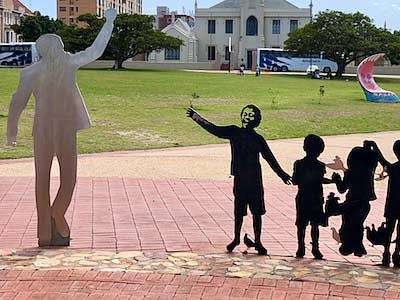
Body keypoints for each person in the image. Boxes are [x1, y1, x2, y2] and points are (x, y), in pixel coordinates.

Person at [7, 9, 117, 247]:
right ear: (53, 48)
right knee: (67, 178)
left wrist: (12, 133)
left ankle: (48, 226)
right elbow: (95, 50)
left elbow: (16, 103)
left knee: (44, 181)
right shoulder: (66, 63)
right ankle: (53, 220)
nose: (63, 49)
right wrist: (108, 22)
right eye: (59, 45)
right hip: (62, 130)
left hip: (45, 130)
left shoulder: (34, 71)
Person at [186, 105, 291, 255]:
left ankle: (257, 241)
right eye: (246, 114)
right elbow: (215, 129)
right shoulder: (236, 132)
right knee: (240, 211)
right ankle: (237, 238)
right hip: (242, 179)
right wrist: (196, 117)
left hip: (253, 179)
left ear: (256, 120)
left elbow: (269, 158)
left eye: (250, 115)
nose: (247, 117)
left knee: (256, 212)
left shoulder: (255, 138)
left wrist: (282, 175)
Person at [331, 142, 378, 257]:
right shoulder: (369, 173)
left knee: (348, 225)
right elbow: (375, 159)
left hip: (351, 203)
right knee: (357, 225)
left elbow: (342, 189)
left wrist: (337, 179)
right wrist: (371, 148)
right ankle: (357, 246)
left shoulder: (351, 173)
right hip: (364, 204)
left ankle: (349, 245)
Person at [292, 134, 333, 259]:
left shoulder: (299, 164)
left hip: (303, 196)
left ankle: (301, 247)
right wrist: (332, 181)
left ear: (305, 148)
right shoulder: (320, 166)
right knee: (315, 224)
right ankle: (315, 248)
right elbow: (321, 180)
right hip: (316, 197)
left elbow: (295, 181)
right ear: (320, 151)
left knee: (301, 224)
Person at [369, 140, 400, 267]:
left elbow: (383, 161)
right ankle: (397, 253)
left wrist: (375, 148)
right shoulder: (394, 168)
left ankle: (386, 253)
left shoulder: (393, 168)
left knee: (389, 229)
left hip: (392, 204)